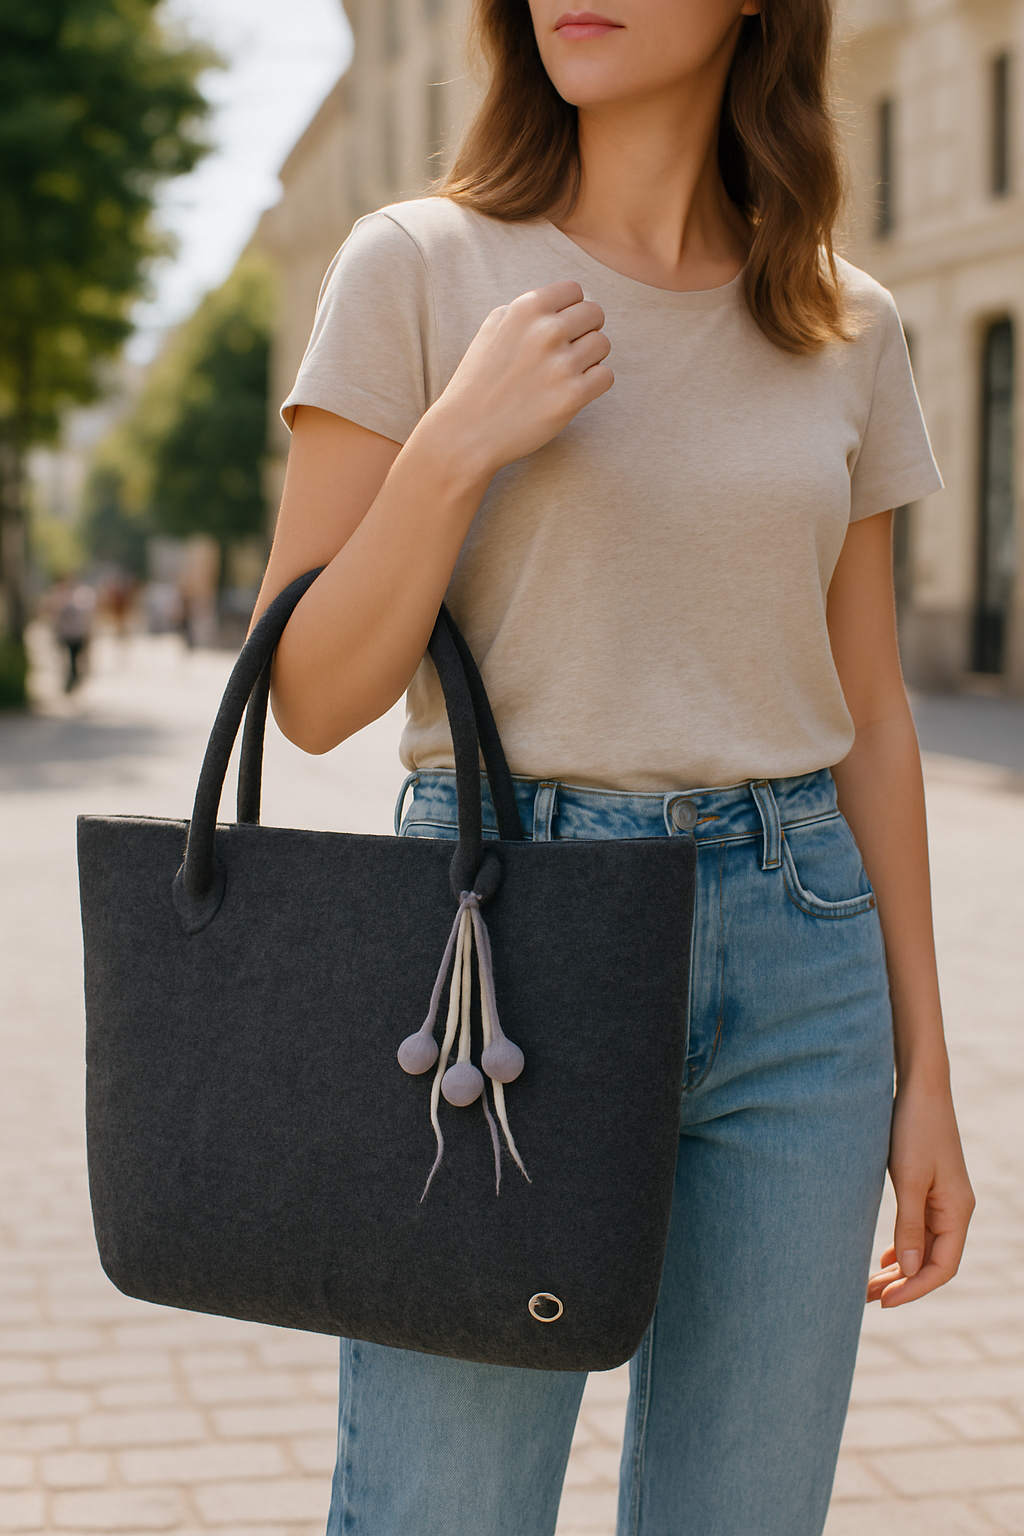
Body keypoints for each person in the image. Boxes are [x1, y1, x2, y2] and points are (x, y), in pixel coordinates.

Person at [252, 1, 975, 1531]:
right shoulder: (418, 265)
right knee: (443, 1508)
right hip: (501, 949)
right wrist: (455, 446)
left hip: (799, 970)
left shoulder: (846, 322)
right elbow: (307, 696)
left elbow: (873, 707)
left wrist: (927, 1072)